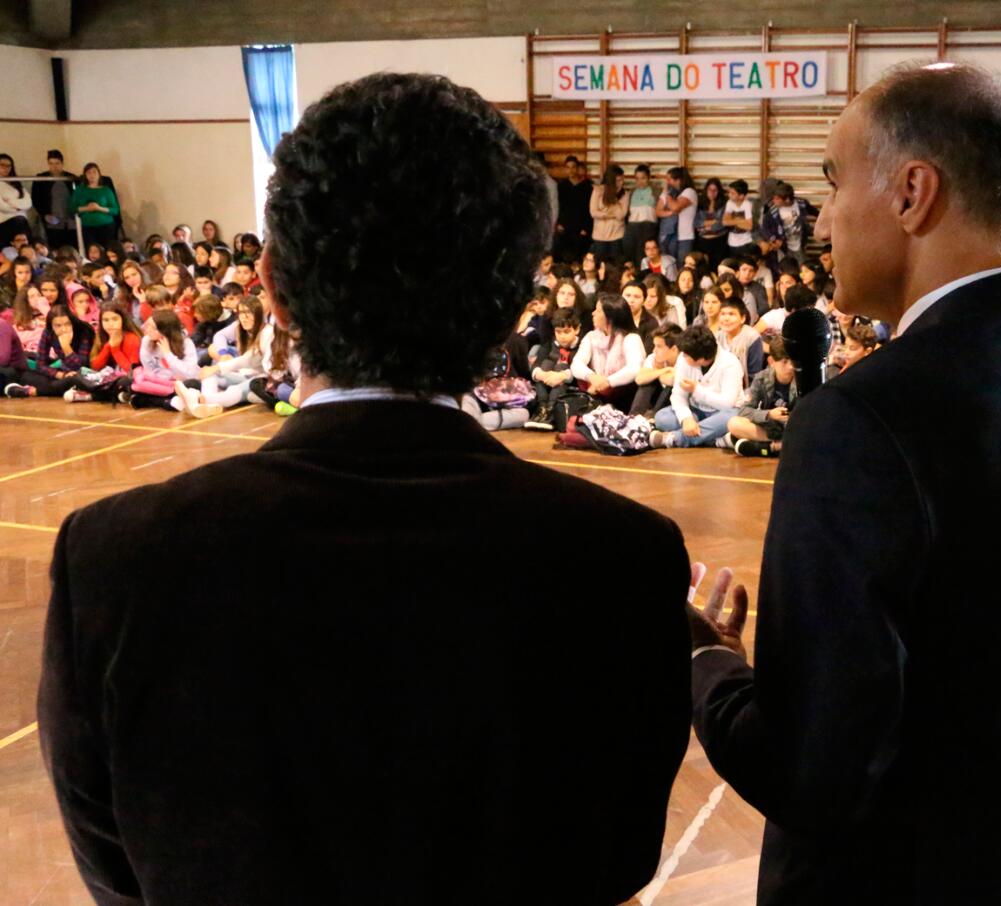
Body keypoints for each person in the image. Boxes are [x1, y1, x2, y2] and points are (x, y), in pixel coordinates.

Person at [38, 72, 690, 906]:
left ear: (272, 286)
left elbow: (118, 874)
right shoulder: (622, 557)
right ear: (507, 312)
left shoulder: (115, 557)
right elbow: (620, 857)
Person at [687, 62, 1001, 905]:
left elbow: (812, 772)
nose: (823, 216)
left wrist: (704, 662)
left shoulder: (866, 418)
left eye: (834, 182)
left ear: (913, 192)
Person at [649, 325, 741, 448]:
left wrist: (696, 390)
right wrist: (686, 418)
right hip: (696, 411)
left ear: (701, 359)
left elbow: (727, 403)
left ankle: (674, 438)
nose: (683, 356)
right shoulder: (684, 358)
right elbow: (678, 395)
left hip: (721, 413)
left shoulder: (730, 363)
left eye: (686, 355)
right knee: (662, 418)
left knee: (733, 418)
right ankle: (714, 439)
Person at [726, 335, 795, 458]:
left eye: (793, 360)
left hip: (795, 427)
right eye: (784, 361)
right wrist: (769, 414)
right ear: (771, 362)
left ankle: (768, 448)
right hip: (772, 428)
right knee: (734, 423)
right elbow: (744, 410)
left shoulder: (803, 379)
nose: (790, 366)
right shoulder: (761, 378)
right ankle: (779, 446)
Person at [525, 307, 583, 431]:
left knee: (560, 366)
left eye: (566, 332)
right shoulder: (550, 344)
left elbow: (581, 369)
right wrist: (541, 374)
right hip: (547, 383)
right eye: (558, 332)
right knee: (545, 364)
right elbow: (536, 364)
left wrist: (560, 375)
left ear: (577, 329)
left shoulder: (582, 346)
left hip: (569, 384)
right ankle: (542, 408)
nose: (562, 336)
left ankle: (552, 410)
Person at [32, 150, 78, 251]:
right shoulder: (41, 179)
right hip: (52, 222)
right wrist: (44, 214)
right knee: (55, 249)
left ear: (62, 163)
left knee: (73, 249)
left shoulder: (71, 178)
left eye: (57, 163)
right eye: (51, 163)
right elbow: (36, 199)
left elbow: (78, 197)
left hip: (71, 222)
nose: (54, 167)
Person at [70, 162, 121, 249]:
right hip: (87, 227)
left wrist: (99, 208)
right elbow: (72, 208)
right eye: (88, 173)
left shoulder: (106, 190)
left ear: (99, 174)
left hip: (106, 226)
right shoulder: (79, 190)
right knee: (91, 249)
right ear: (85, 175)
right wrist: (86, 208)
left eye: (94, 172)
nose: (92, 175)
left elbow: (115, 210)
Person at [554, 154, 593, 263]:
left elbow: (589, 209)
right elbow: (559, 206)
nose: (571, 170)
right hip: (565, 226)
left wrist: (586, 228)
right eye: (568, 167)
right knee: (563, 256)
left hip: (580, 228)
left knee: (579, 257)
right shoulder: (561, 186)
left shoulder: (586, 187)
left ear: (577, 168)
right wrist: (559, 223)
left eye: (573, 167)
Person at [589, 164, 628, 262]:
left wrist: (613, 199)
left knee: (616, 266)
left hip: (617, 236)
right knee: (600, 265)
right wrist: (609, 215)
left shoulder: (625, 194)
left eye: (622, 180)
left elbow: (621, 215)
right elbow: (593, 212)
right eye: (618, 180)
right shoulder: (598, 190)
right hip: (599, 236)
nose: (621, 183)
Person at [656, 166, 698, 259]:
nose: (667, 182)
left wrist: (667, 195)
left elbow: (675, 207)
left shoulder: (689, 192)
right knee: (669, 262)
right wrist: (670, 213)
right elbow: (658, 211)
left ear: (678, 180)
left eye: (669, 179)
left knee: (682, 264)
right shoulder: (670, 192)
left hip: (685, 236)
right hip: (671, 234)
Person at [623, 163, 659, 266]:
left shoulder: (655, 191)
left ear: (648, 178)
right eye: (637, 178)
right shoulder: (632, 192)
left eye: (643, 178)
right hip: (632, 226)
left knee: (642, 256)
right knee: (629, 253)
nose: (640, 182)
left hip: (648, 226)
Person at [0, 153, 34, 249]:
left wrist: (12, 202)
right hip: (4, 223)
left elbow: (28, 202)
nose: (6, 168)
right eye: (2, 165)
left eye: (8, 166)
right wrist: (19, 207)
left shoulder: (16, 182)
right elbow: (3, 206)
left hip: (22, 222)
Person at [695, 177, 729, 264]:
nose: (712, 193)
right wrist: (713, 222)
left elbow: (722, 223)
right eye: (710, 190)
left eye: (715, 190)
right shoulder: (700, 203)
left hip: (719, 241)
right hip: (702, 241)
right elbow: (696, 223)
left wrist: (706, 226)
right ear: (706, 190)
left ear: (719, 191)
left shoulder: (724, 204)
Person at [723, 179, 755, 255]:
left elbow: (749, 226)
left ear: (741, 196)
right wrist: (741, 220)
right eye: (729, 192)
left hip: (746, 242)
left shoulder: (747, 204)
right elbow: (725, 222)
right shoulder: (729, 203)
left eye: (732, 193)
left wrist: (732, 220)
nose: (729, 195)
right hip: (732, 242)